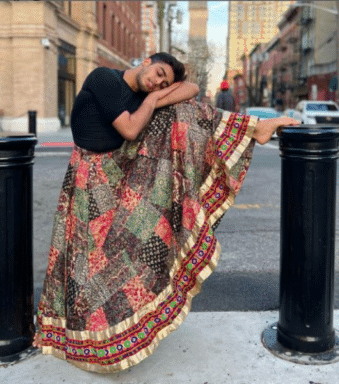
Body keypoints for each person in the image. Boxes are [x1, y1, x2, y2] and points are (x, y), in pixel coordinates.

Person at [34, 52, 298, 372]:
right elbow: (130, 129)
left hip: (121, 172)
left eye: (164, 81)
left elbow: (191, 89)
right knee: (87, 264)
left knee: (183, 112)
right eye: (158, 72)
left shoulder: (145, 93)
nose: (158, 81)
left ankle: (254, 129)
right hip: (90, 179)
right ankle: (84, 341)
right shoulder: (104, 78)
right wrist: (157, 97)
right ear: (146, 60)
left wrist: (157, 94)